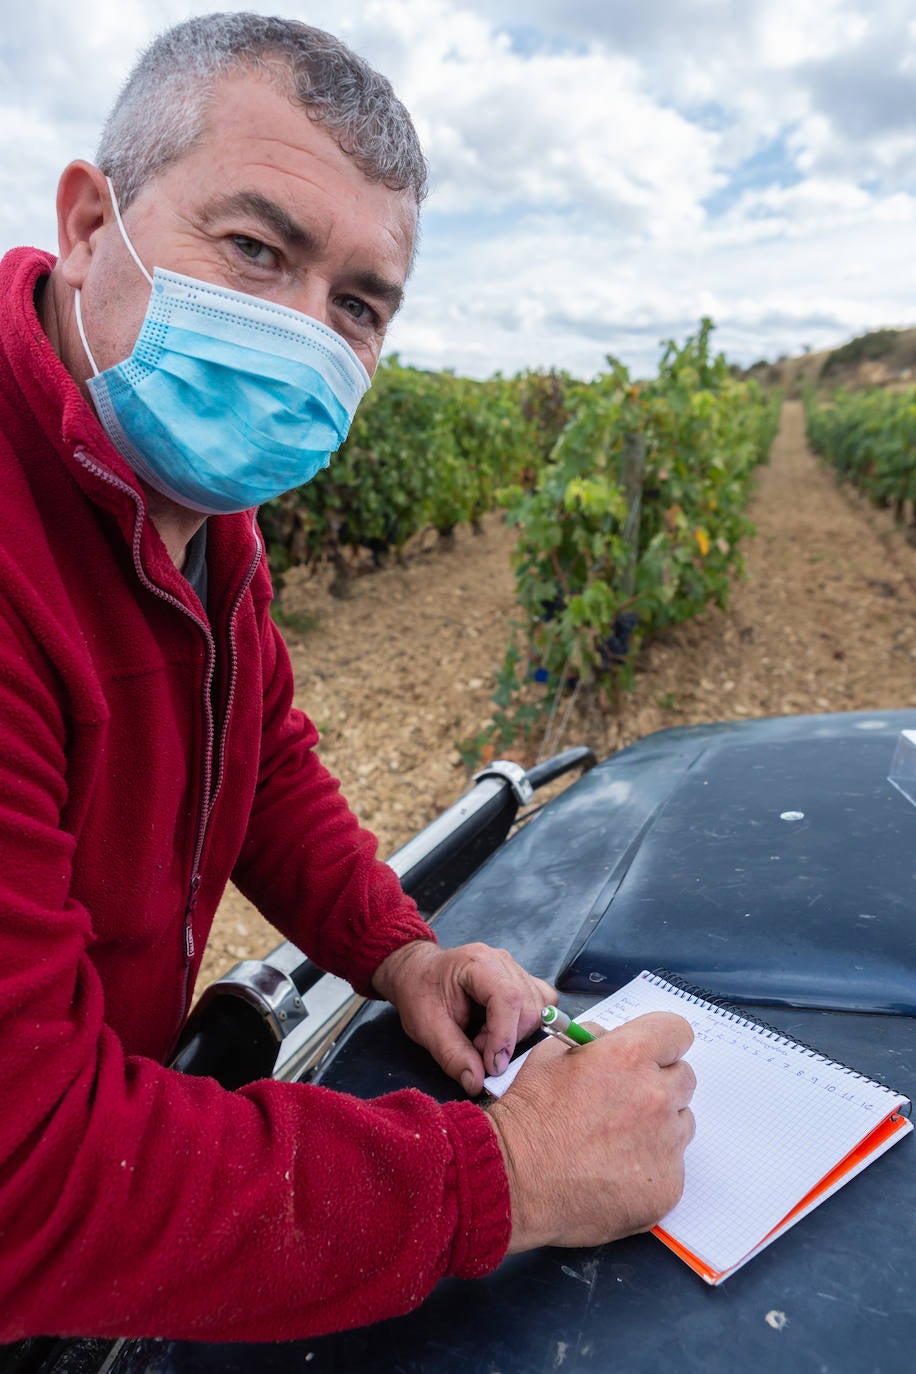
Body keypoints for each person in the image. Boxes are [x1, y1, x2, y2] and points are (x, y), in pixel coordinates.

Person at [0, 11, 695, 1346]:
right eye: (257, 250)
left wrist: (399, 951)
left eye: (359, 304)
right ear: (92, 223)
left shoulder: (194, 502)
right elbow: (33, 1178)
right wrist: (506, 1177)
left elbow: (255, 759)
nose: (303, 333)